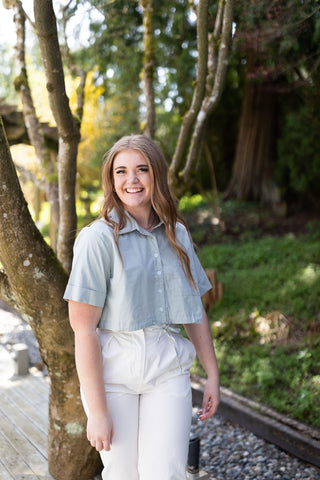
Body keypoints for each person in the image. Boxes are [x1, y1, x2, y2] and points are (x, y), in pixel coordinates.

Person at [63, 134, 220, 480]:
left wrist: (211, 374)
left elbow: (194, 311)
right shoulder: (97, 239)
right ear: (111, 179)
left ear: (156, 175)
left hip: (167, 371)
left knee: (166, 473)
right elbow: (84, 330)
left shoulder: (177, 234)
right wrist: (98, 411)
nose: (131, 180)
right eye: (121, 171)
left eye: (141, 170)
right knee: (122, 475)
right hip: (113, 376)